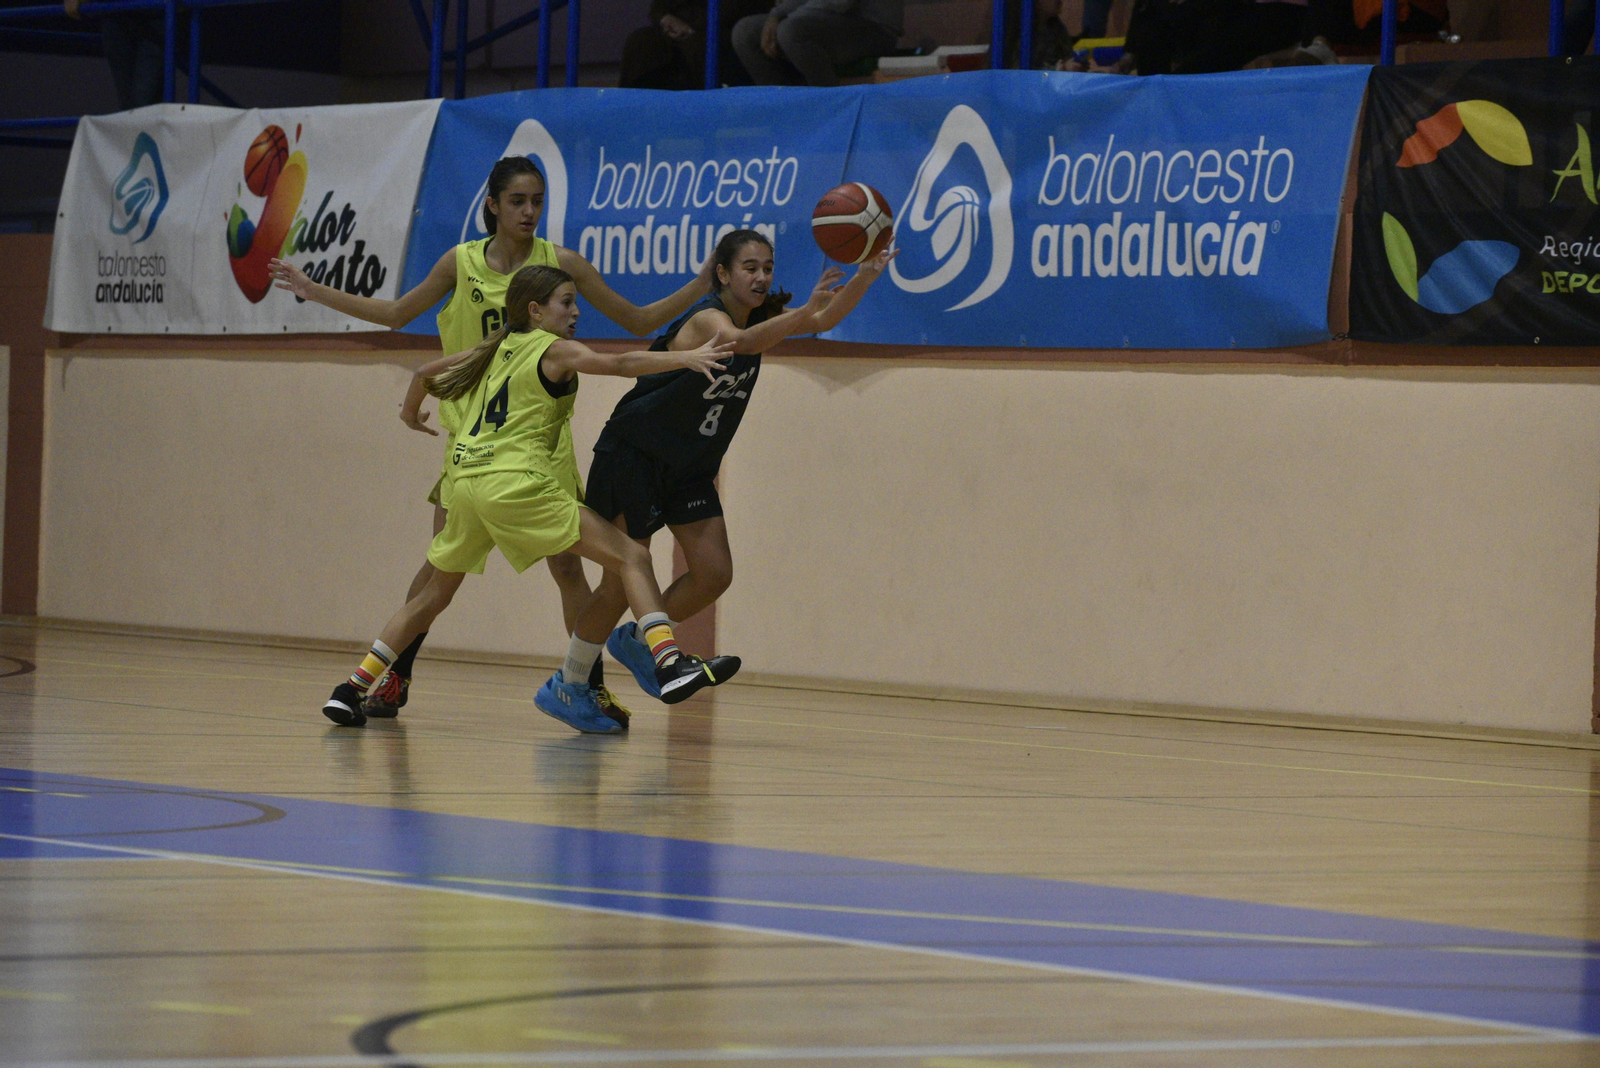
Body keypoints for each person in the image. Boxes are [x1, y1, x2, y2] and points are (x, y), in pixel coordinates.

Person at [268, 157, 716, 723]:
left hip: (521, 446)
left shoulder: (561, 265)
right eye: (518, 201)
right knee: (444, 577)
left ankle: (577, 687)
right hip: (481, 442)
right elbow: (396, 313)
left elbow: (637, 320)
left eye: (538, 201)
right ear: (493, 206)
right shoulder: (463, 264)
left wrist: (699, 286)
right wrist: (315, 291)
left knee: (551, 571)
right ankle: (397, 677)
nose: (529, 212)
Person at [324, 265, 741, 732]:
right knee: (632, 558)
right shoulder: (552, 348)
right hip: (515, 481)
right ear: (535, 310)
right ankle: (667, 661)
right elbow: (621, 364)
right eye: (567, 302)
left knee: (432, 595)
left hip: (467, 484)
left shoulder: (491, 348)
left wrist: (409, 415)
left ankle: (351, 689)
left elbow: (424, 372)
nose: (576, 312)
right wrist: (685, 358)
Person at [556, 230, 893, 708]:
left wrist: (865, 275)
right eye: (749, 268)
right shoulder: (707, 319)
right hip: (637, 454)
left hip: (690, 466)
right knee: (617, 585)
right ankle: (569, 684)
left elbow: (827, 318)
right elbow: (743, 341)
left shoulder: (761, 319)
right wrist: (802, 312)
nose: (761, 277)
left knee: (714, 572)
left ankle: (638, 641)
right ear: (722, 273)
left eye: (768, 268)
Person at [731, 0, 903, 86]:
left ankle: (830, 109)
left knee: (791, 30)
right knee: (745, 32)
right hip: (824, 19)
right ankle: (785, 109)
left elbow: (839, 3)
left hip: (875, 28)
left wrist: (784, 18)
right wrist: (776, 15)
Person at [619, 0, 772, 88]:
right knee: (640, 42)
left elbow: (744, 7)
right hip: (679, 24)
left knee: (700, 48)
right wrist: (665, 18)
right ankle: (631, 111)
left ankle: (702, 116)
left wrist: (691, 25)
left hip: (724, 26)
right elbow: (659, 6)